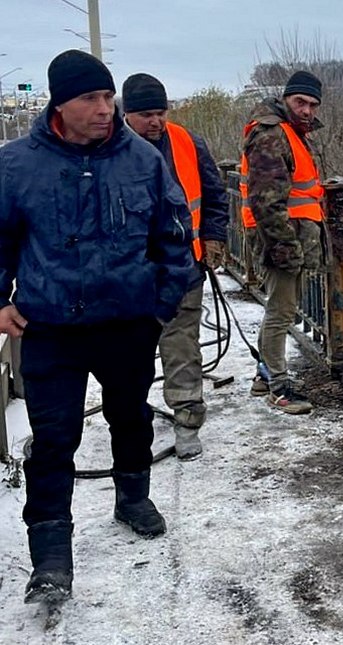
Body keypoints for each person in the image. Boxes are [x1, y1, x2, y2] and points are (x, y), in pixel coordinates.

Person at [0, 50, 196, 604]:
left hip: (127, 323)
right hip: (50, 328)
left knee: (129, 418)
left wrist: (158, 305)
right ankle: (51, 556)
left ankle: (133, 497)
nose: (104, 109)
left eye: (108, 98)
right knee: (55, 438)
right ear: (60, 104)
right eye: (91, 98)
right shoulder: (16, 165)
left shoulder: (142, 160)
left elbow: (175, 235)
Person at [122, 73, 229, 460]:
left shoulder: (186, 142)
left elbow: (216, 196)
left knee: (182, 346)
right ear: (127, 114)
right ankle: (131, 423)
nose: (156, 122)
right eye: (146, 114)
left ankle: (187, 419)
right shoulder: (107, 149)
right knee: (130, 353)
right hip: (130, 274)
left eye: (160, 113)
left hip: (184, 266)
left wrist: (214, 238)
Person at [239, 70, 326, 415]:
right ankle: (278, 385)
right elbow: (267, 203)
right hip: (281, 238)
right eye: (300, 102)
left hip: (290, 236)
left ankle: (264, 375)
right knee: (281, 311)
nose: (307, 110)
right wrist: (285, 248)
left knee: (280, 307)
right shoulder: (272, 135)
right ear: (286, 98)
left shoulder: (289, 132)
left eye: (313, 105)